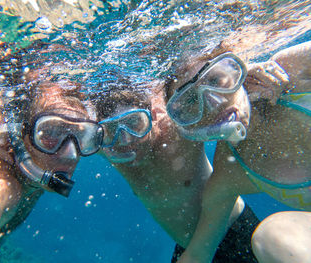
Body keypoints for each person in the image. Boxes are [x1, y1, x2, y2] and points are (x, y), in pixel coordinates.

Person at [165, 41, 311, 262]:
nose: (214, 102)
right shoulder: (231, 171)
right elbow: (198, 254)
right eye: (192, 100)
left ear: (237, 67)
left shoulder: (291, 69)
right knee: (272, 236)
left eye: (216, 80)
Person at [90, 73, 261, 263]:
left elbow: (222, 85)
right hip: (187, 248)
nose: (127, 140)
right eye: (114, 130)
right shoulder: (111, 149)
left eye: (135, 123)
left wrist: (250, 82)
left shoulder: (178, 126)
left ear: (154, 115)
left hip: (234, 233)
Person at [0, 42, 104, 262]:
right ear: (21, 134)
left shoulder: (35, 167)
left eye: (82, 136)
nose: (70, 154)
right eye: (51, 133)